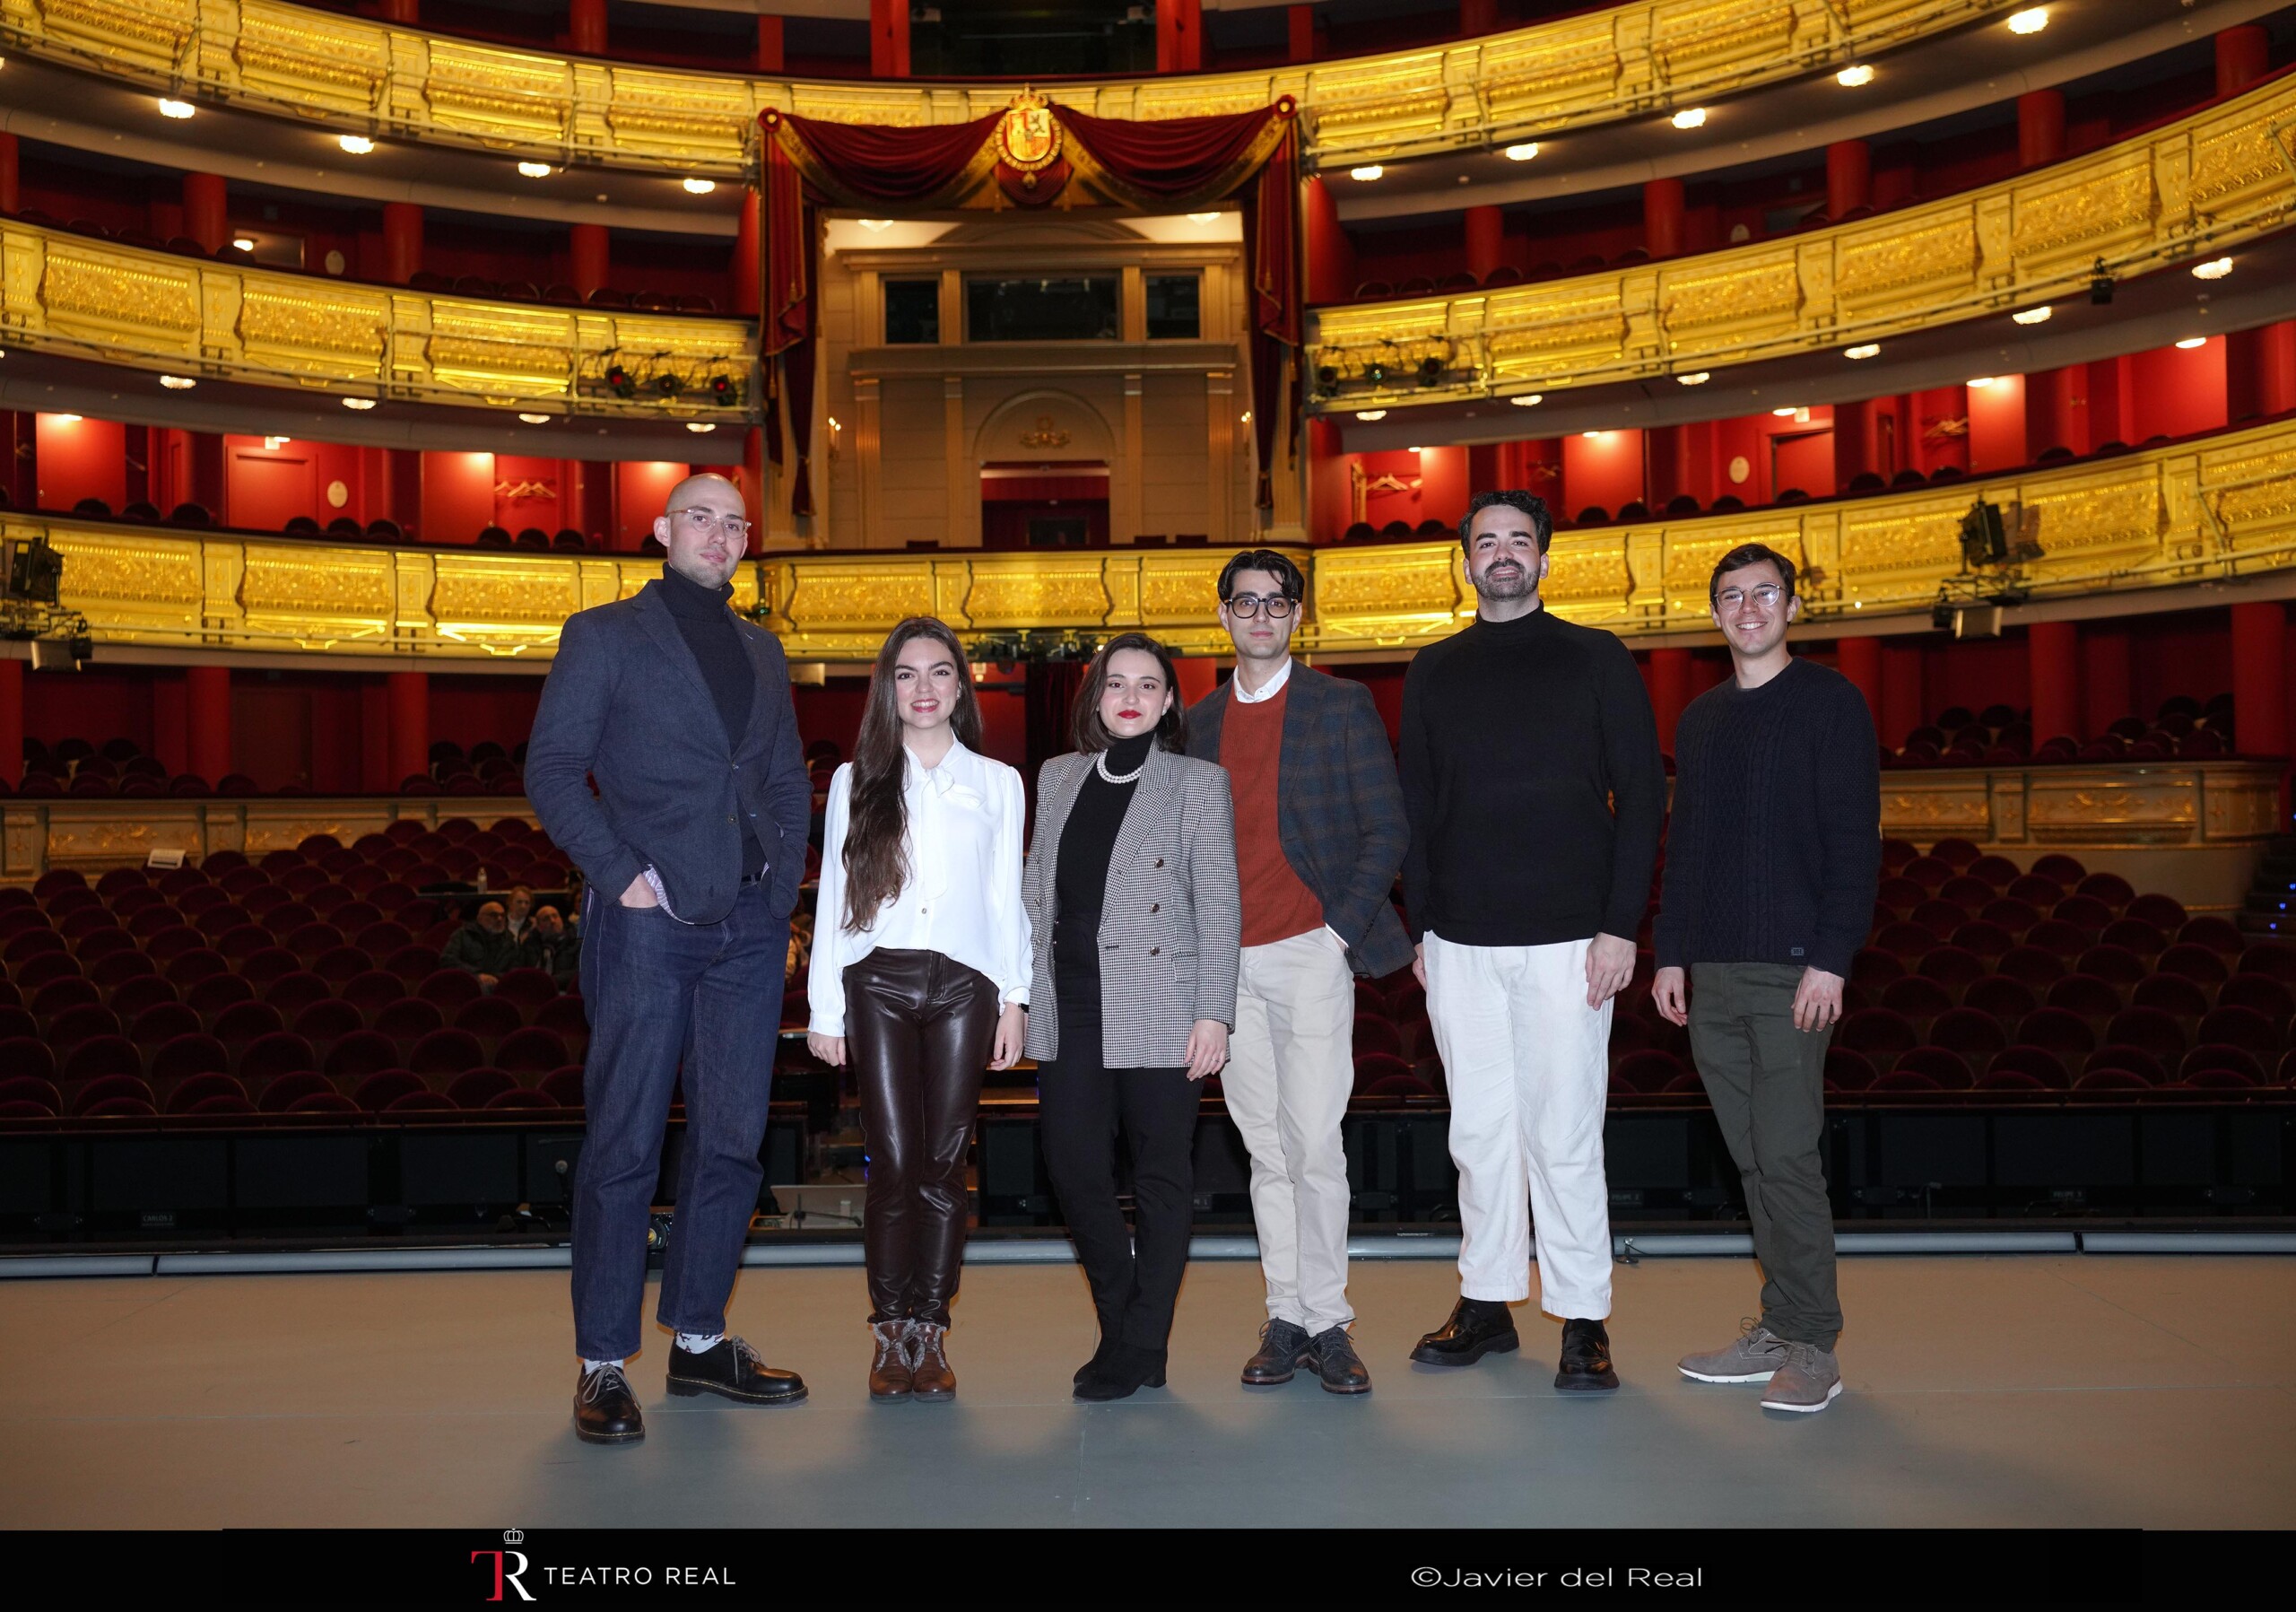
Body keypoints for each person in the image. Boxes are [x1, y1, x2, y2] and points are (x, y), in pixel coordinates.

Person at [526, 471, 813, 1445]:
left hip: (745, 927)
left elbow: (781, 779)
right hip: (646, 923)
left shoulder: (761, 651)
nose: (720, 535)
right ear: (661, 530)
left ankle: (697, 1341)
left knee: (731, 1142)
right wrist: (620, 878)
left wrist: (778, 892)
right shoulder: (604, 634)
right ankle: (601, 1364)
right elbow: (554, 770)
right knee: (625, 1145)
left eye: (735, 524)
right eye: (702, 517)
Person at [1400, 489, 1664, 1392]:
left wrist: (1620, 925)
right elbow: (1418, 808)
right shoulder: (1433, 668)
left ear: (1545, 561)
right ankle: (1485, 1302)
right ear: (1465, 564)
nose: (1503, 554)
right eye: (1487, 542)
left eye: (1519, 541)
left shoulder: (1596, 657)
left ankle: (1583, 1316)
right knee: (1479, 1132)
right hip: (1460, 939)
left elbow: (1642, 796)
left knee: (1563, 1132)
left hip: (1570, 940)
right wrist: (1423, 928)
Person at [1652, 544, 1880, 1415]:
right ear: (1714, 614)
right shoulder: (1702, 718)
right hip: (1710, 968)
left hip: (1792, 973)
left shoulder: (1830, 703)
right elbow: (1691, 846)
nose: (1748, 608)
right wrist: (1669, 951)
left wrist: (1831, 958)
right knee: (1751, 1161)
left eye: (1763, 594)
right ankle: (1777, 1325)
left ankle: (1813, 1343)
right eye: (1731, 596)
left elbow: (1853, 842)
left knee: (1785, 1159)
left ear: (1790, 606)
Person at [1187, 548, 1409, 1395]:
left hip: (1310, 949)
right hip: (1227, 965)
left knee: (1315, 1143)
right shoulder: (1199, 722)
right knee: (1265, 1148)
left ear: (1298, 616)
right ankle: (1286, 1316)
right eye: (1246, 603)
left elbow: (1386, 831)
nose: (1262, 616)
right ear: (1224, 615)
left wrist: (1335, 932)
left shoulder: (1341, 706)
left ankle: (1330, 1320)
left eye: (1278, 603)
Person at [806, 617, 1030, 1404]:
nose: (924, 687)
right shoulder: (853, 779)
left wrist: (1015, 996)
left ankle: (929, 1329)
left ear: (961, 686)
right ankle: (888, 1329)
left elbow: (1009, 899)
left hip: (968, 984)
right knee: (892, 1162)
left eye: (940, 672)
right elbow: (836, 897)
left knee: (943, 1164)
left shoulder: (998, 782)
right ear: (887, 686)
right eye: (908, 674)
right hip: (879, 982)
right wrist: (824, 1008)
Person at [1024, 632, 1239, 1402]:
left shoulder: (1195, 781)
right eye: (1117, 682)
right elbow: (1034, 895)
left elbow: (1217, 903)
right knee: (1074, 1166)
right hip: (1071, 1000)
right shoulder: (1057, 777)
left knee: (1160, 1176)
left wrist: (1215, 1011)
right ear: (1096, 695)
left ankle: (1144, 1339)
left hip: (1162, 1000)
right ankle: (1124, 1323)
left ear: (1169, 701)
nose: (1131, 696)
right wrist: (1019, 997)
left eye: (1148, 685)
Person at [440, 900, 518, 989]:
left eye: (503, 916)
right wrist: (476, 975)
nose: (499, 919)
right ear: (480, 918)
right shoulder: (463, 934)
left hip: (498, 986)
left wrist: (496, 978)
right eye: (493, 915)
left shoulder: (509, 941)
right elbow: (448, 960)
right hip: (467, 984)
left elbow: (514, 968)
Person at [520, 902, 581, 990]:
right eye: (546, 919)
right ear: (538, 927)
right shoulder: (530, 944)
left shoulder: (577, 942)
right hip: (534, 991)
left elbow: (579, 971)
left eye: (555, 916)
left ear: (561, 919)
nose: (552, 921)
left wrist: (550, 981)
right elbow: (522, 970)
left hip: (565, 991)